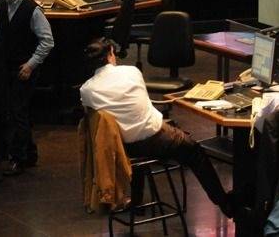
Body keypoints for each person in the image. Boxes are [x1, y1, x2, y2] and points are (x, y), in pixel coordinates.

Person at [79, 38, 235, 218]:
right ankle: (225, 203)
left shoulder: (87, 90)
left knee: (135, 131)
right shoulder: (131, 72)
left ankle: (136, 202)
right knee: (194, 151)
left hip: (122, 148)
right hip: (154, 139)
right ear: (110, 54)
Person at [0, 0, 54, 175]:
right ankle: (29, 154)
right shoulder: (1, 5)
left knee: (17, 111)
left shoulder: (32, 10)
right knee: (15, 111)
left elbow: (47, 41)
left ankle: (19, 157)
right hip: (7, 66)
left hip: (25, 68)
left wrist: (31, 64)